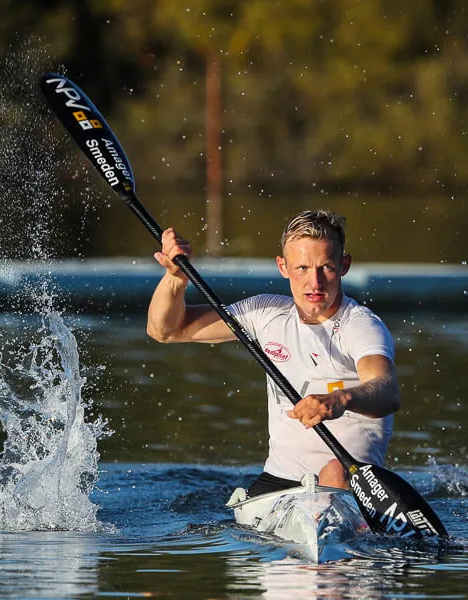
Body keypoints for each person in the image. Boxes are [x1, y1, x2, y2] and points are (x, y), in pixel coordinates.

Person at [147, 210, 400, 496]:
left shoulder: (361, 326)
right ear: (283, 267)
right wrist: (175, 278)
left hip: (349, 480)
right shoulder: (264, 313)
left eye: (326, 267)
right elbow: (165, 331)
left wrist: (341, 399)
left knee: (334, 471)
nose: (314, 283)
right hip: (278, 480)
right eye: (302, 268)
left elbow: (388, 391)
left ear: (344, 265)